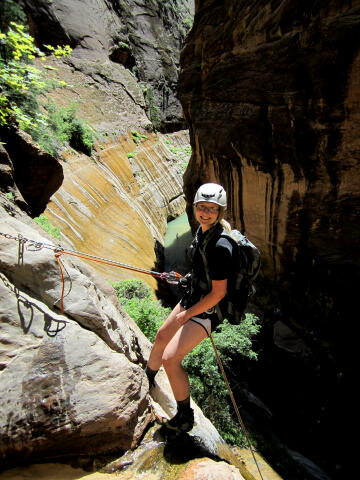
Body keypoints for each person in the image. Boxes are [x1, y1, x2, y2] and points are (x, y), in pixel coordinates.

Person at [144, 183, 234, 432]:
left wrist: (187, 314)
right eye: (202, 207)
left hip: (207, 309)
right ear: (195, 207)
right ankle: (148, 377)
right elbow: (201, 273)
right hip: (193, 297)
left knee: (171, 359)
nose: (206, 213)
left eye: (212, 209)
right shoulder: (203, 232)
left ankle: (185, 415)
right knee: (162, 335)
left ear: (220, 212)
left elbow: (218, 293)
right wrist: (182, 279)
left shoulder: (220, 246)